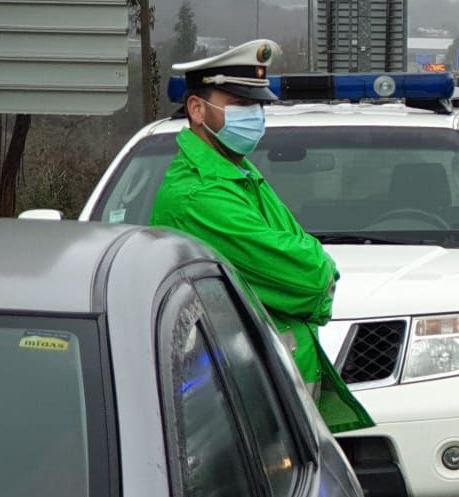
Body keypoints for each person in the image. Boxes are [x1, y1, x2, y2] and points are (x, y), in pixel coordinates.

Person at [150, 40, 372, 433]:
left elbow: (299, 249)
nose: (253, 116)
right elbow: (310, 275)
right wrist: (317, 278)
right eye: (239, 104)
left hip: (276, 388)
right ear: (197, 110)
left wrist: (312, 266)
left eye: (257, 106)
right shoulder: (198, 195)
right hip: (246, 399)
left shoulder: (240, 173)